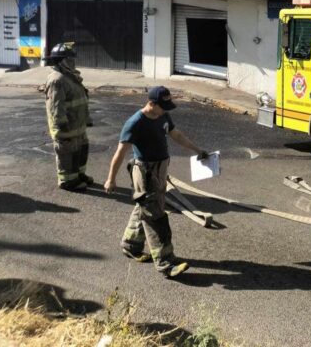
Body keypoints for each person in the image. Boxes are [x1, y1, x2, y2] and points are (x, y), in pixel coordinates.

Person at [104, 86, 208, 278]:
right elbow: (120, 152)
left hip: (160, 169)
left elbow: (176, 134)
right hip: (145, 172)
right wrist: (111, 178)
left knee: (143, 207)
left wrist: (197, 149)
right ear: (151, 104)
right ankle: (165, 263)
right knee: (155, 217)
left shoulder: (163, 116)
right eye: (163, 106)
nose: (166, 110)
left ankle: (130, 245)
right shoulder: (135, 123)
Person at [44, 42, 93, 191]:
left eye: (73, 60)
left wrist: (87, 119)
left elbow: (81, 100)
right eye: (69, 59)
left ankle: (78, 175)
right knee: (67, 154)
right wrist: (61, 123)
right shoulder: (57, 79)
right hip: (66, 126)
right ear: (61, 61)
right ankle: (67, 181)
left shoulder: (70, 76)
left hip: (77, 124)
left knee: (81, 150)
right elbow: (55, 105)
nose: (72, 62)